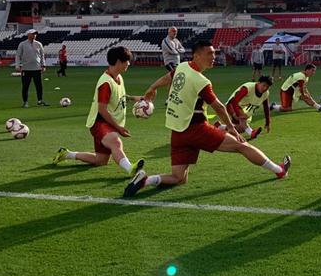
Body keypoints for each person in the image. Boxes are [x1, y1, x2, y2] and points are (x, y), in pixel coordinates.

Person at [123, 40, 291, 197]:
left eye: (214, 53)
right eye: (209, 54)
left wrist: (152, 87)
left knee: (179, 177)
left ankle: (146, 180)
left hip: (178, 131)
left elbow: (169, 77)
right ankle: (279, 170)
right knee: (242, 145)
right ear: (196, 56)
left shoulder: (181, 67)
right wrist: (232, 128)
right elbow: (218, 106)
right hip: (196, 129)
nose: (213, 57)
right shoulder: (201, 81)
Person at [52, 46, 144, 174]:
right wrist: (118, 128)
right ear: (118, 62)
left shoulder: (118, 77)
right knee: (116, 143)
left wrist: (135, 98)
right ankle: (131, 169)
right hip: (100, 122)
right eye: (126, 61)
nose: (129, 63)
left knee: (101, 160)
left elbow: (119, 97)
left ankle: (66, 154)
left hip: (108, 122)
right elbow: (102, 109)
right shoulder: (105, 83)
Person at [214, 76, 273, 140]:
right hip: (232, 106)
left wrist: (267, 122)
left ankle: (219, 127)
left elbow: (266, 107)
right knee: (242, 120)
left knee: (241, 129)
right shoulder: (248, 88)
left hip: (244, 109)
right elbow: (234, 101)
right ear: (258, 83)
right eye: (264, 85)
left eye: (267, 87)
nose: (265, 88)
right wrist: (238, 114)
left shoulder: (265, 94)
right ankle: (251, 133)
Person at [16, 29, 48, 107]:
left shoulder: (38, 44)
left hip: (37, 69)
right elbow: (18, 55)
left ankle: (40, 100)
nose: (34, 35)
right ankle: (25, 102)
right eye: (33, 34)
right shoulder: (22, 44)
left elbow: (42, 55)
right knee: (25, 86)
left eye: (35, 34)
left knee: (39, 86)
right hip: (26, 69)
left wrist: (43, 65)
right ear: (28, 35)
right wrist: (17, 65)